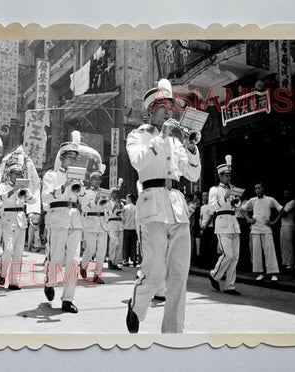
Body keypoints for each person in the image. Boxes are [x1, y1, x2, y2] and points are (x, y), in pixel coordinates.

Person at [125, 78, 201, 333]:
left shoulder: (177, 141)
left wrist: (190, 147)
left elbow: (193, 174)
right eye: (162, 107)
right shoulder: (138, 135)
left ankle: (173, 333)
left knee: (179, 276)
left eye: (170, 106)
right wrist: (162, 138)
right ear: (150, 110)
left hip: (177, 208)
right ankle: (137, 305)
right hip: (152, 204)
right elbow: (138, 162)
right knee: (156, 270)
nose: (169, 111)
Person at [41, 135, 88, 313]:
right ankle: (50, 282)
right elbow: (45, 197)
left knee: (73, 262)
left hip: (75, 220)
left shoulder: (79, 179)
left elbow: (84, 203)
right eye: (69, 157)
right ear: (62, 158)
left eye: (75, 158)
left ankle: (67, 299)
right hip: (57, 220)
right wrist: (64, 186)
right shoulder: (51, 175)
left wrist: (81, 190)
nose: (72, 160)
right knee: (56, 259)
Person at [0, 163, 39, 290]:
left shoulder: (23, 187)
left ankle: (14, 281)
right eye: (15, 173)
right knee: (8, 249)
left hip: (21, 219)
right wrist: (12, 191)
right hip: (8, 218)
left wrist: (26, 194)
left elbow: (33, 201)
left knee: (19, 252)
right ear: (9, 174)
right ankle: (2, 272)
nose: (17, 175)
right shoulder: (3, 186)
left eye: (19, 173)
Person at [207, 156, 242, 295]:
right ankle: (214, 274)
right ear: (220, 176)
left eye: (229, 175)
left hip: (233, 222)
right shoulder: (214, 190)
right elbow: (211, 208)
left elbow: (236, 208)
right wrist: (225, 197)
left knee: (235, 256)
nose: (228, 178)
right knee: (227, 254)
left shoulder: (232, 189)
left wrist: (236, 200)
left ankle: (230, 286)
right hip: (222, 223)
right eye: (226, 175)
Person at [241, 181, 283, 281]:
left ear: (263, 189)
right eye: (256, 188)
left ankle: (273, 273)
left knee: (269, 251)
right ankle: (260, 273)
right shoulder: (252, 200)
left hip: (266, 229)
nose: (257, 190)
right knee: (257, 252)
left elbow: (282, 210)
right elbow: (242, 209)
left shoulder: (270, 199)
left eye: (259, 188)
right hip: (255, 229)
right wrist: (249, 219)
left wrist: (273, 222)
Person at [80, 171, 108, 283]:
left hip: (102, 224)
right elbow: (84, 208)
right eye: (95, 179)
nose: (97, 181)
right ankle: (84, 265)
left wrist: (111, 199)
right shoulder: (86, 193)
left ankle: (98, 275)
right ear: (91, 180)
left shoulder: (104, 192)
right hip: (90, 223)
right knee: (90, 249)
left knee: (101, 251)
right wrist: (95, 201)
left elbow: (109, 207)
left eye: (99, 179)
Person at [272, 189, 295, 271]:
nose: (285, 195)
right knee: (284, 244)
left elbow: (284, 213)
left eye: (287, 193)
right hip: (284, 224)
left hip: (289, 224)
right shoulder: (287, 203)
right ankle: (286, 262)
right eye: (285, 193)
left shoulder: (292, 202)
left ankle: (290, 263)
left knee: (288, 244)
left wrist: (275, 220)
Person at [105, 187, 124, 270]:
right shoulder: (107, 202)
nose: (116, 194)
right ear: (111, 193)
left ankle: (116, 262)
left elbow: (123, 213)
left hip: (119, 223)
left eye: (117, 192)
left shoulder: (120, 202)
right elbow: (107, 213)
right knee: (114, 242)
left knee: (120, 243)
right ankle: (110, 260)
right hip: (111, 223)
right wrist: (114, 208)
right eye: (114, 192)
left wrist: (121, 208)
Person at [121, 193, 138, 267]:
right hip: (134, 229)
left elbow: (123, 218)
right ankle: (134, 259)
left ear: (129, 199)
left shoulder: (125, 207)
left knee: (126, 245)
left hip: (126, 228)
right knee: (133, 244)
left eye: (127, 198)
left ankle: (126, 259)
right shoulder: (136, 208)